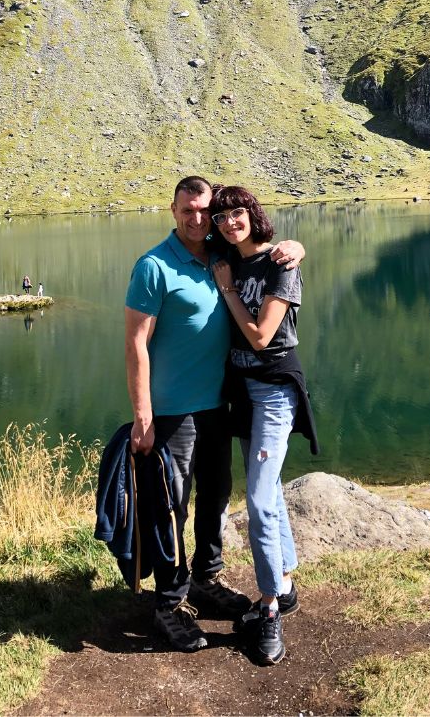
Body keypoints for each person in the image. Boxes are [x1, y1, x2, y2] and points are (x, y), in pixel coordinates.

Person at [125, 175, 305, 653]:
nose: (198, 218)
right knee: (170, 505)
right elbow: (136, 343)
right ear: (173, 210)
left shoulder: (222, 259)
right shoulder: (154, 266)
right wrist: (142, 413)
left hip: (220, 406)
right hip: (172, 412)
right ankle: (169, 602)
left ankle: (205, 579)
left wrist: (294, 246)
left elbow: (269, 263)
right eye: (188, 210)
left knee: (215, 499)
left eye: (205, 211)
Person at [210, 185, 318, 667]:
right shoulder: (223, 254)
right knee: (269, 491)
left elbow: (260, 336)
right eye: (222, 217)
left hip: (273, 389)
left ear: (253, 214)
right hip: (241, 391)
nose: (230, 222)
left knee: (256, 501)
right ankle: (286, 585)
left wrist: (229, 288)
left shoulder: (279, 264)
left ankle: (270, 609)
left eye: (238, 213)